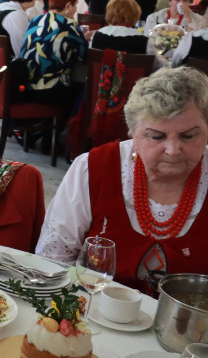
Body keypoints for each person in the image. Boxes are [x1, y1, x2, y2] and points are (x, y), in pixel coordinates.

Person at [36, 66, 208, 293]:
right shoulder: (92, 168)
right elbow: (53, 262)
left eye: (188, 135)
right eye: (156, 136)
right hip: (92, 316)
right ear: (133, 134)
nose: (173, 149)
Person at [18, 0, 88, 96]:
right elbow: (83, 55)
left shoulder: (35, 20)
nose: (75, 9)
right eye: (75, 4)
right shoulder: (69, 26)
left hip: (26, 87)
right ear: (68, 6)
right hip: (51, 90)